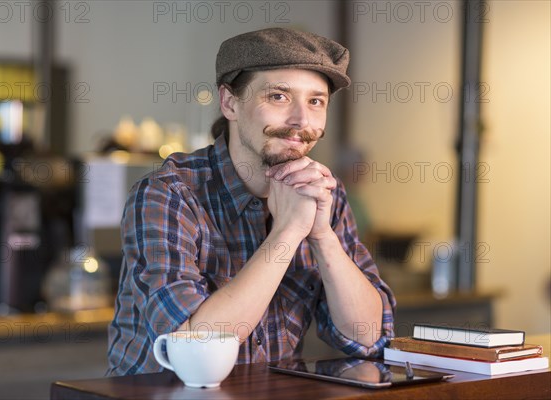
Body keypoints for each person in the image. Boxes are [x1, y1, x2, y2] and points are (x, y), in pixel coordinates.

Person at [107, 27, 396, 376]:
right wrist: (287, 233)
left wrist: (322, 236)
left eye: (315, 101)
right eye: (278, 97)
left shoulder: (321, 194)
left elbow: (367, 337)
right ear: (229, 103)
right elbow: (193, 350)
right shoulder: (168, 194)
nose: (301, 121)